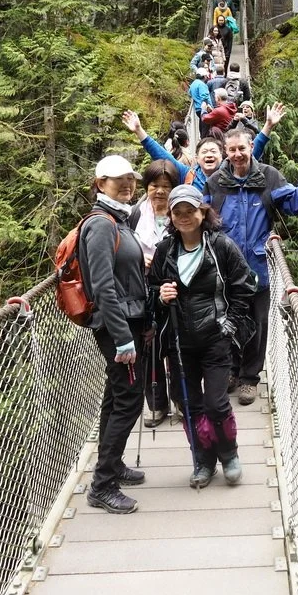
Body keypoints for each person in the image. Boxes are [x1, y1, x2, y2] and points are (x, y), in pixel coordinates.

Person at [149, 185, 256, 488]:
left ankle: (229, 454)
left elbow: (244, 286)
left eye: (190, 210)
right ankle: (203, 459)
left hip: (215, 338)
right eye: (177, 212)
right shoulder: (165, 250)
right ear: (170, 216)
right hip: (179, 342)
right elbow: (150, 291)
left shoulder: (221, 246)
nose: (184, 217)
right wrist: (160, 295)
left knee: (216, 403)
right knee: (189, 403)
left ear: (202, 212)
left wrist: (230, 325)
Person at [205, 128, 298, 405]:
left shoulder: (268, 176)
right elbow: (203, 217)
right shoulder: (216, 182)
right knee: (226, 321)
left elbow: (294, 204)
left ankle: (249, 378)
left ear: (250, 147)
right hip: (225, 269)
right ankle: (231, 370)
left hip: (258, 268)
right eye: (231, 150)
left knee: (256, 324)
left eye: (241, 149)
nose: (237, 155)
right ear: (226, 153)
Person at [81, 155, 151, 514]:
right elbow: (103, 286)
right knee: (128, 400)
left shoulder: (117, 219)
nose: (127, 185)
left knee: (116, 394)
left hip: (128, 321)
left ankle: (113, 465)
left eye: (130, 179)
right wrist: (124, 338)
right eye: (117, 180)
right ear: (99, 182)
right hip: (117, 326)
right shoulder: (102, 224)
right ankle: (102, 485)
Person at [127, 159, 179, 428]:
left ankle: (182, 399)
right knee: (149, 346)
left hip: (175, 288)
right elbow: (122, 250)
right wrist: (139, 261)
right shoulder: (133, 214)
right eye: (154, 185)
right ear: (146, 187)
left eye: (166, 186)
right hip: (143, 289)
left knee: (177, 343)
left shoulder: (181, 211)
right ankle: (157, 403)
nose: (159, 191)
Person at [123, 106, 282, 191]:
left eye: (213, 151)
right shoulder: (187, 175)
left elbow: (250, 154)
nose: (209, 155)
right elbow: (163, 156)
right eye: (204, 152)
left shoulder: (232, 170)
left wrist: (268, 126)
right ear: (196, 158)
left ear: (222, 156)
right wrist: (139, 131)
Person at [188, 69, 213, 135]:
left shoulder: (193, 83)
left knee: (202, 126)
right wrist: (210, 107)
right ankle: (204, 141)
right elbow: (204, 97)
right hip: (204, 109)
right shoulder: (201, 84)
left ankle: (202, 138)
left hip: (197, 109)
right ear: (204, 76)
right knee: (206, 128)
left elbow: (189, 93)